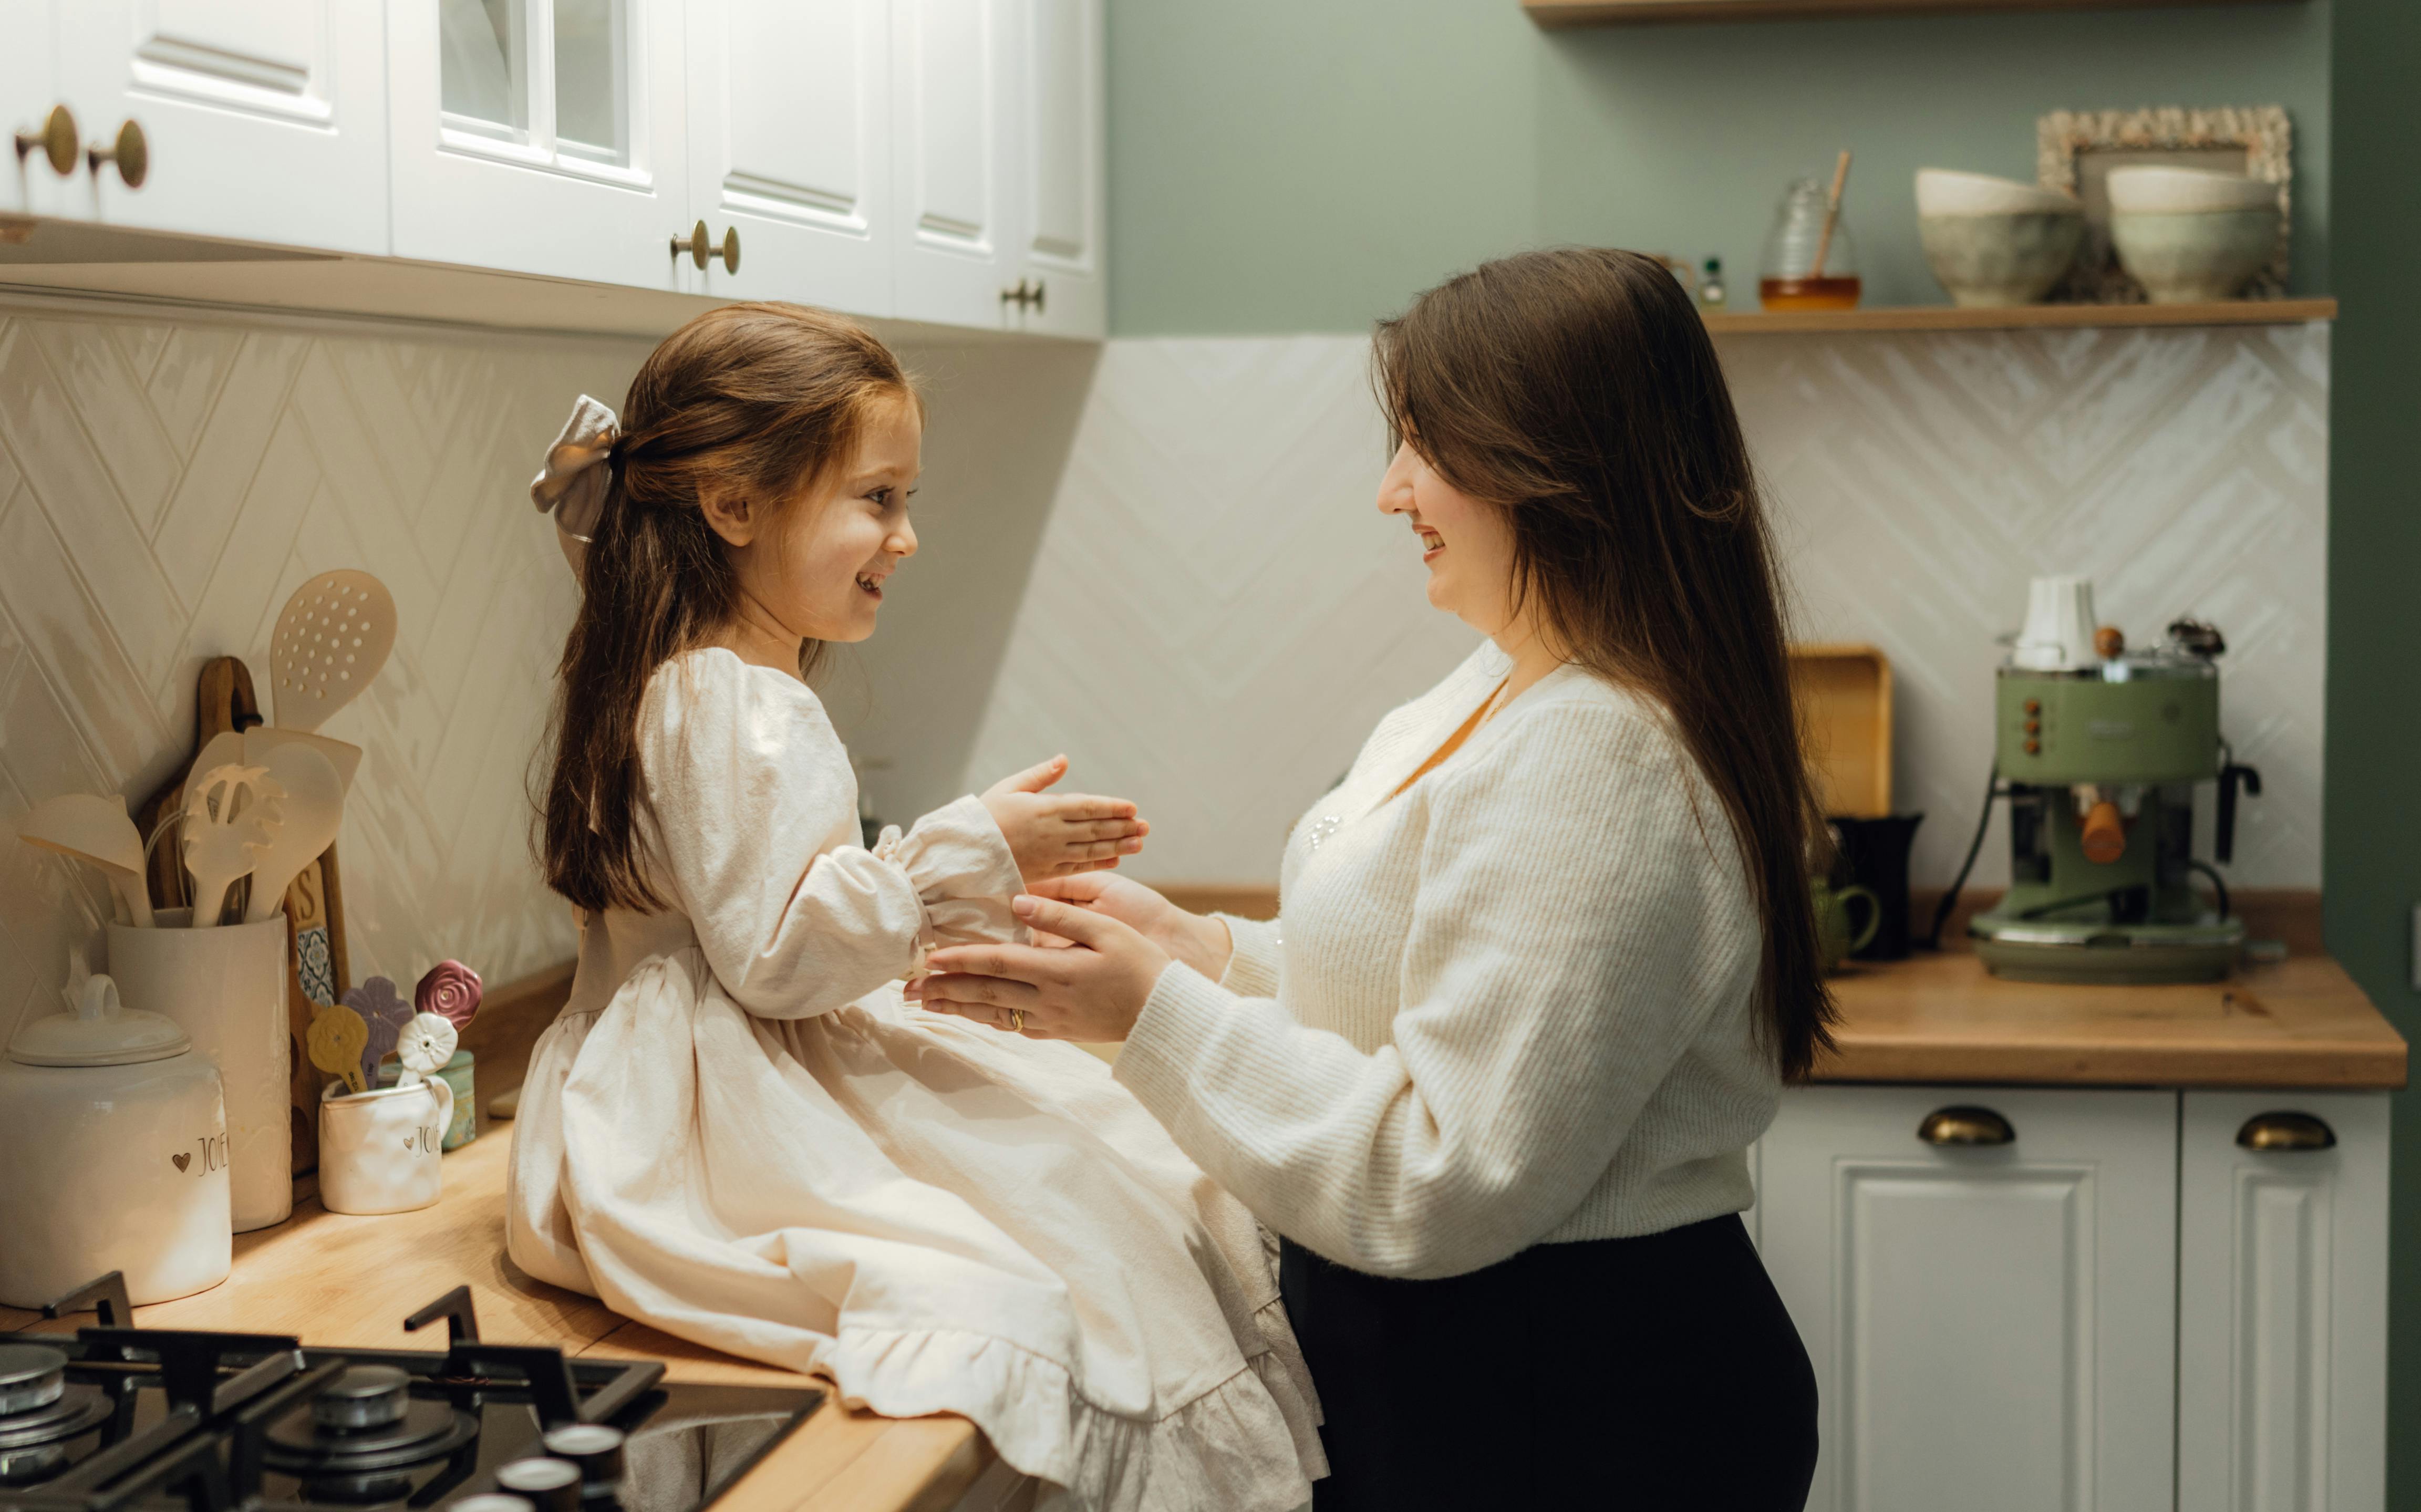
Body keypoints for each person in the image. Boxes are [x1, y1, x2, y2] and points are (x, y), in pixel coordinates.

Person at [911, 248, 1827, 1508]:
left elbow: (1442, 1173)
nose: (1392, 490)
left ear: (1546, 461)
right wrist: (1209, 956)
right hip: (1475, 1372)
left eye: (1424, 445)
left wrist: (1147, 1018)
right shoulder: (1505, 685)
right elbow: (1434, 975)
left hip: (1571, 1403)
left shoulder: (1599, 752)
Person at [505, 302, 1322, 1511]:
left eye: (907, 499)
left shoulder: (688, 677)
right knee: (1091, 1233)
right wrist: (969, 850)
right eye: (877, 498)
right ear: (731, 507)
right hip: (727, 1098)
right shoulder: (738, 699)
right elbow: (777, 959)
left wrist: (960, 873)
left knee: (1100, 1178)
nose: (906, 535)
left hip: (678, 1074)